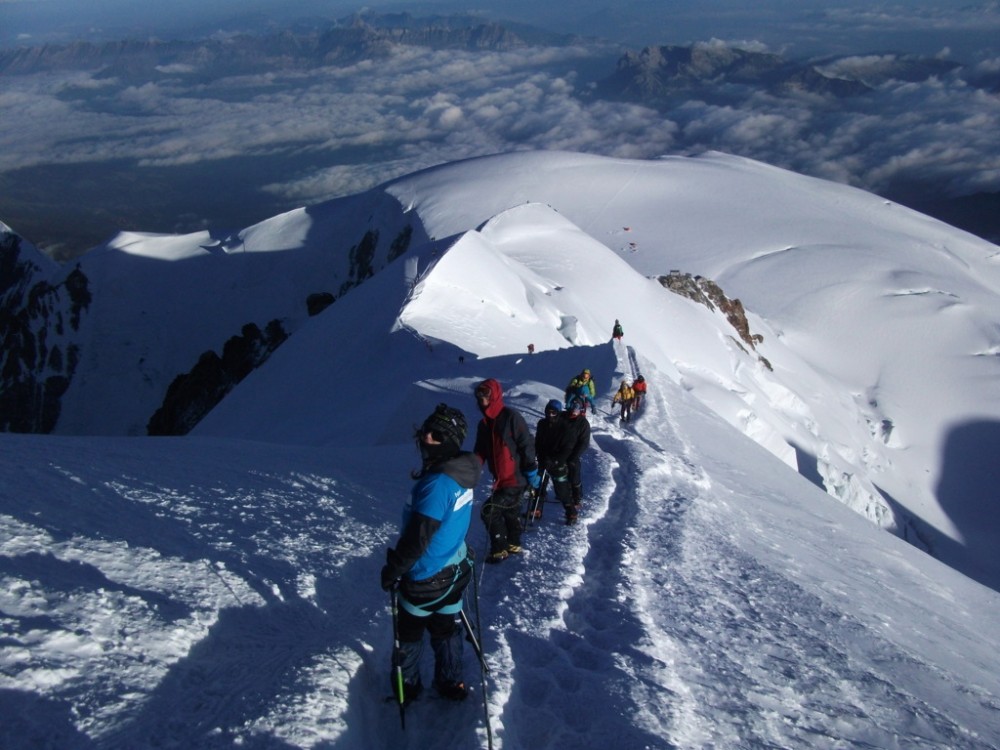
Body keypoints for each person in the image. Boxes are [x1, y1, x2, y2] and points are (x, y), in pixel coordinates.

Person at [380, 403, 482, 703]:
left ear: (450, 441)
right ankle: (450, 681)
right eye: (426, 430)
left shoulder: (437, 484)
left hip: (426, 578)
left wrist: (393, 570)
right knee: (445, 627)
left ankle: (408, 687)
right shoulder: (462, 472)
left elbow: (417, 539)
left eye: (437, 435)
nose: (427, 438)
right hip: (456, 568)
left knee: (409, 633)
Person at [473, 379, 540, 562]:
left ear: (495, 395)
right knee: (510, 511)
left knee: (488, 510)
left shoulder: (511, 417)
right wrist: (472, 469)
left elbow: (526, 443)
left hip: (516, 478)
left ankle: (499, 549)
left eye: (486, 394)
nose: (482, 398)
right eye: (479, 394)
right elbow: (480, 451)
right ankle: (513, 543)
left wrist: (531, 470)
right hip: (501, 480)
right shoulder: (484, 424)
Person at [534, 399, 580, 523]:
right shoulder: (542, 424)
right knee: (539, 485)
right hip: (543, 459)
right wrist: (536, 454)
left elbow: (568, 448)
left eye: (553, 412)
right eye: (548, 412)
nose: (550, 415)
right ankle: (536, 509)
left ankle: (571, 512)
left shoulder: (565, 427)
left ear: (558, 413)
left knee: (561, 490)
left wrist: (555, 461)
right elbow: (538, 441)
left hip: (557, 461)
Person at [564, 397, 592, 510]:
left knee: (574, 474)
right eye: (573, 406)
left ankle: (577, 497)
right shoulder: (563, 417)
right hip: (561, 451)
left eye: (577, 407)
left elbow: (584, 442)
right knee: (561, 474)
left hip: (573, 452)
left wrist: (575, 455)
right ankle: (564, 493)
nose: (574, 410)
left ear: (580, 409)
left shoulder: (583, 423)